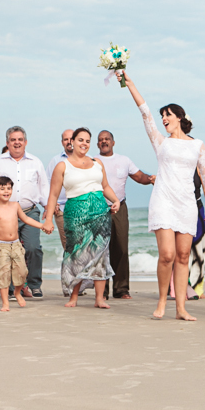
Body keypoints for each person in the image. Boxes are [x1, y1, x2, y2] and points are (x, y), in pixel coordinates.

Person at [118, 71, 205, 321]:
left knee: (183, 256)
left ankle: (181, 308)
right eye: (162, 116)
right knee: (167, 255)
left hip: (186, 204)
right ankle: (162, 302)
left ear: (180, 117)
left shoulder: (197, 145)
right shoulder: (161, 142)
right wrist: (131, 84)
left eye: (168, 115)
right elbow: (145, 113)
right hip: (163, 201)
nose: (163, 119)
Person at [42, 128, 121, 309]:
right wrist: (48, 219)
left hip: (100, 213)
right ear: (72, 142)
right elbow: (53, 195)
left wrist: (115, 200)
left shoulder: (97, 162)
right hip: (75, 215)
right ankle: (74, 297)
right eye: (80, 140)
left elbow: (105, 186)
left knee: (101, 254)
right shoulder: (62, 166)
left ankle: (99, 299)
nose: (84, 144)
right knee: (76, 255)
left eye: (87, 141)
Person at [0, 126, 53, 299]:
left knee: (33, 248)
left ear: (25, 142)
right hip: (4, 214)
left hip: (29, 211)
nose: (16, 142)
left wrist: (48, 208)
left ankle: (34, 285)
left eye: (20, 139)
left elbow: (43, 187)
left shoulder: (35, 162)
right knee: (7, 251)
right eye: (13, 140)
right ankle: (12, 288)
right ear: (7, 143)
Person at [96, 129, 154, 300]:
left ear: (113, 142)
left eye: (107, 139)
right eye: (101, 140)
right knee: (101, 250)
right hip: (98, 209)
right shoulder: (93, 161)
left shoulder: (124, 160)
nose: (104, 142)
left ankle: (121, 289)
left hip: (120, 208)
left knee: (120, 248)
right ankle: (103, 291)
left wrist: (151, 179)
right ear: (97, 144)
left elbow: (139, 177)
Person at [0, 176, 46, 312]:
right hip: (1, 247)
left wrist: (42, 226)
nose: (6, 191)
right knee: (3, 275)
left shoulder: (15, 205)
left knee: (22, 272)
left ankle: (18, 292)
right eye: (2, 189)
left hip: (16, 245)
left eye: (9, 188)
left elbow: (26, 219)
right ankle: (5, 302)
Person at [46, 129, 74, 253]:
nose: (69, 142)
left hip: (84, 209)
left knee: (85, 246)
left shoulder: (88, 159)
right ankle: (71, 272)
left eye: (72, 138)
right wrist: (51, 206)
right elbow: (46, 184)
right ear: (62, 142)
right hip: (61, 209)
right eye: (66, 139)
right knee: (68, 247)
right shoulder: (56, 160)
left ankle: (84, 272)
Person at [188, 170, 205, 299]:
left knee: (199, 249)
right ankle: (180, 287)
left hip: (198, 208)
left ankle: (197, 286)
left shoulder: (199, 167)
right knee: (181, 250)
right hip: (179, 209)